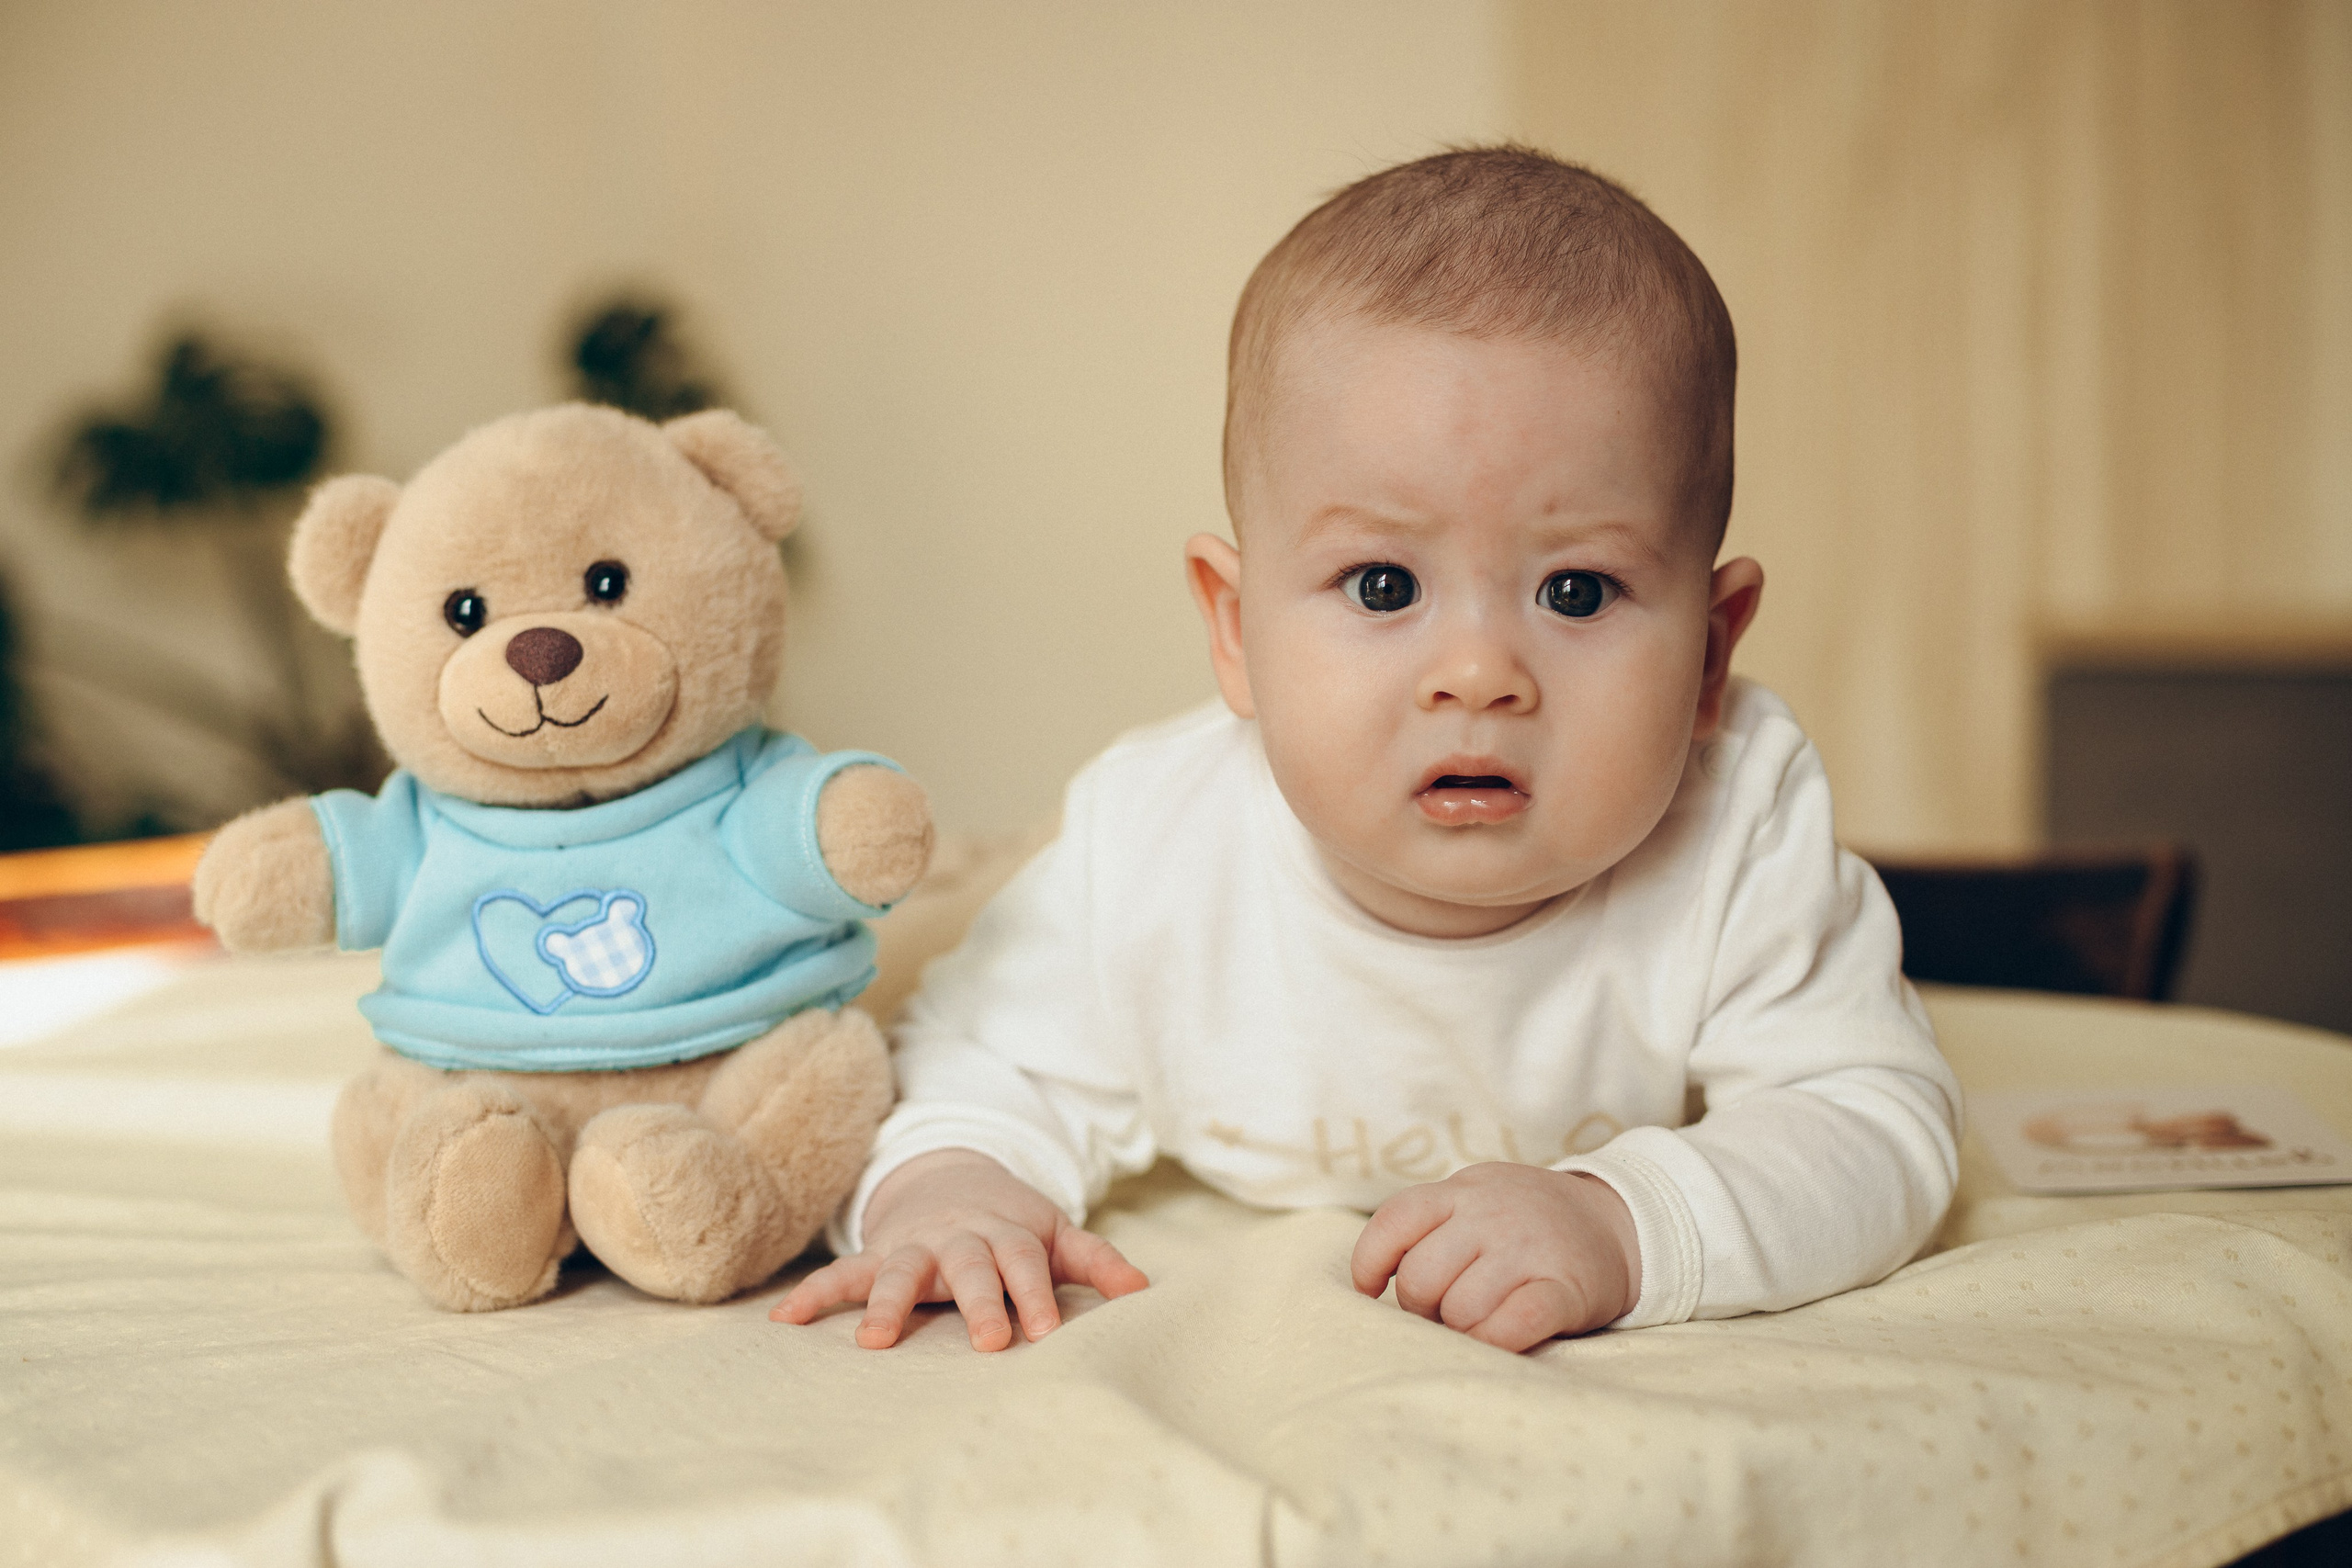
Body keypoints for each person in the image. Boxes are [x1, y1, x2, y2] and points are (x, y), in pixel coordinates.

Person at [773, 145, 1960, 1354]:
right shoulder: (1155, 844)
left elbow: (1870, 1121)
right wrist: (950, 1194)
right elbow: (979, 1064)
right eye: (1385, 584)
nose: (1481, 673)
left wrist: (1621, 1224)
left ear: (1710, 658)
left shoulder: (1738, 824)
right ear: (1237, 632)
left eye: (1581, 592)